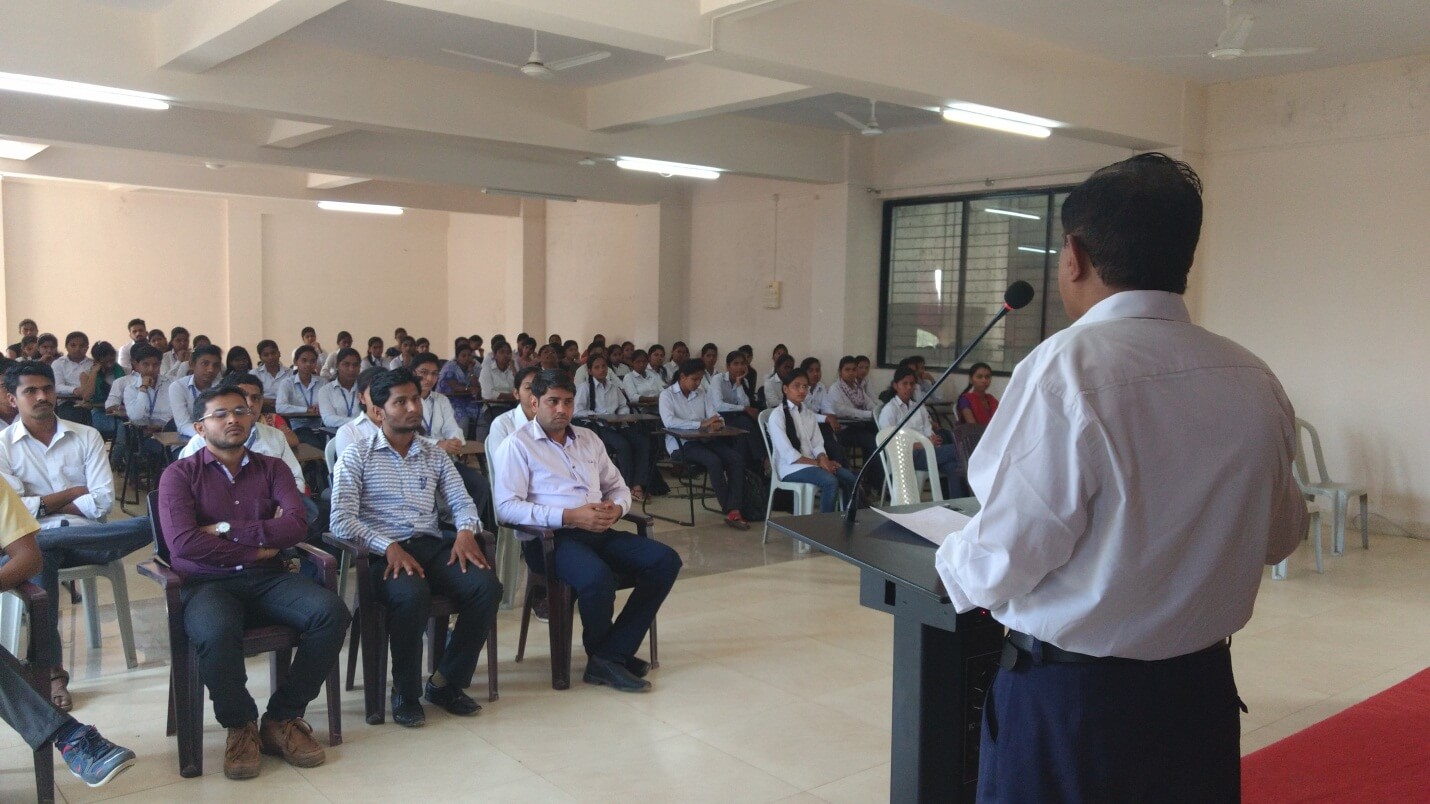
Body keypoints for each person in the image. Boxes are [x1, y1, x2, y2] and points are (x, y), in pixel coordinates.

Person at [933, 153, 1308, 802]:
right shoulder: (1251, 376)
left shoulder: (1067, 368)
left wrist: (950, 561)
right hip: (1199, 699)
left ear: (1073, 256)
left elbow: (1009, 554)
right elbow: (1280, 536)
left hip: (1078, 708)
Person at [158, 385, 349, 780]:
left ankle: (282, 718)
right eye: (220, 414)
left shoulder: (273, 468)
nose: (233, 419)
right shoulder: (179, 474)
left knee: (331, 613)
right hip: (207, 583)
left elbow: (295, 525)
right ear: (199, 427)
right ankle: (240, 724)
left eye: (241, 411)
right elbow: (183, 544)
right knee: (215, 630)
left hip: (268, 579)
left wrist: (224, 530)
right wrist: (257, 547)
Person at [330, 369, 502, 726]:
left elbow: (462, 501)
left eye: (415, 399)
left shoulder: (433, 454)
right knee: (411, 595)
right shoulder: (357, 455)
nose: (413, 407)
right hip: (381, 556)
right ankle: (405, 692)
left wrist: (466, 531)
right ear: (378, 411)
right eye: (401, 402)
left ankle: (445, 682)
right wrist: (387, 545)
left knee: (486, 587)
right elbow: (341, 520)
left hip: (430, 545)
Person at [493, 370, 681, 692]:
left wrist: (617, 508)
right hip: (549, 540)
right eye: (553, 401)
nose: (562, 409)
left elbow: (618, 486)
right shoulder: (518, 445)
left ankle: (609, 655)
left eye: (568, 402)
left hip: (598, 530)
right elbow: (506, 508)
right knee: (597, 578)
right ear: (535, 403)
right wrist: (568, 516)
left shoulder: (588, 439)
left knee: (665, 560)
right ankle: (608, 657)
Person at [0, 363, 153, 712]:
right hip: (33, 544)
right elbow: (15, 512)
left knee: (44, 544)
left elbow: (100, 502)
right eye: (30, 391)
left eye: (47, 389)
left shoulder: (86, 436)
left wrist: (40, 504)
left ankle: (47, 670)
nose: (42, 396)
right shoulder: (2, 446)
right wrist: (71, 493)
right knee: (41, 552)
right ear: (11, 398)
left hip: (88, 540)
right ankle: (53, 671)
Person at [0, 481, 138, 787]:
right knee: (53, 541)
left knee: (51, 544)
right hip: (59, 532)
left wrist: (48, 503)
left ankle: (69, 737)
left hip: (68, 533)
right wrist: (68, 496)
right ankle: (69, 737)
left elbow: (28, 556)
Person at [659, 359, 749, 530]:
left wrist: (717, 423)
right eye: (694, 379)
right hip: (681, 445)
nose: (697, 383)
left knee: (735, 458)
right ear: (683, 377)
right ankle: (730, 509)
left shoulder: (701, 393)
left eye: (700, 379)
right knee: (713, 461)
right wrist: (701, 424)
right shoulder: (667, 395)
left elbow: (715, 415)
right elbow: (669, 422)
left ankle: (735, 507)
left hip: (705, 439)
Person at [766, 368, 857, 513]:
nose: (802, 390)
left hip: (813, 463)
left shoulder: (808, 413)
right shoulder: (777, 416)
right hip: (790, 467)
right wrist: (819, 463)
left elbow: (817, 443)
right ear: (785, 389)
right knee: (830, 481)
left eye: (805, 386)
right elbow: (788, 454)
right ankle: (823, 525)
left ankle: (847, 519)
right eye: (797, 386)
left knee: (850, 478)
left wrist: (824, 459)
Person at [574, 355, 651, 503]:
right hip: (599, 427)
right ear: (590, 371)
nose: (601, 370)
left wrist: (620, 416)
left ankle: (638, 485)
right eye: (597, 367)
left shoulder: (613, 387)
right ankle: (625, 486)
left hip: (618, 425)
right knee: (623, 446)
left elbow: (623, 406)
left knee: (643, 443)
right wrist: (598, 415)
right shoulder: (585, 388)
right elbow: (577, 411)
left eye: (604, 366)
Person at [877, 366, 960, 499]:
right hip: (907, 455)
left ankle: (955, 505)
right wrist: (923, 445)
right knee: (959, 449)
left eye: (912, 384)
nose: (909, 387)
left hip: (928, 451)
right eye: (904, 384)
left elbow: (928, 428)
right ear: (895, 385)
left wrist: (933, 439)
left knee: (954, 467)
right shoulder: (890, 410)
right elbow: (890, 442)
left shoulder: (918, 406)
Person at [275, 345, 326, 448]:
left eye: (312, 361)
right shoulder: (287, 383)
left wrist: (321, 406)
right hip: (298, 428)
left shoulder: (323, 382)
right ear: (295, 362)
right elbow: (280, 407)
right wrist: (306, 410)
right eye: (304, 360)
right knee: (312, 441)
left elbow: (329, 404)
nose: (308, 364)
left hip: (321, 426)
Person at [168, 345, 224, 438]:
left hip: (220, 438)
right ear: (192, 364)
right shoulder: (178, 387)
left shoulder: (223, 388)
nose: (211, 369)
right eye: (205, 364)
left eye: (216, 365)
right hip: (188, 439)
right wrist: (209, 436)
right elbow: (183, 425)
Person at [77, 341, 126, 441]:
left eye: (111, 356)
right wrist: (94, 373)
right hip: (100, 411)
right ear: (97, 360)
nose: (109, 359)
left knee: (126, 426)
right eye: (104, 357)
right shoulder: (86, 374)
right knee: (120, 426)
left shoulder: (124, 371)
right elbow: (87, 396)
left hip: (121, 410)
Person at [437, 343, 482, 435]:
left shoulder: (473, 367)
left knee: (482, 417)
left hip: (467, 401)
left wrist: (471, 371)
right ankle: (461, 442)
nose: (467, 358)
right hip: (450, 400)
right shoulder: (450, 367)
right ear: (457, 358)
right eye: (463, 356)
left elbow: (476, 386)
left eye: (469, 355)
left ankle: (479, 443)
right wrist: (470, 389)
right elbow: (455, 387)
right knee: (464, 419)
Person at [52, 331, 93, 425]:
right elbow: (57, 386)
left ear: (87, 347)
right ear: (66, 347)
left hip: (90, 402)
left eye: (82, 346)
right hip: (67, 402)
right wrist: (74, 390)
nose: (77, 349)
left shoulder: (92, 363)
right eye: (73, 345)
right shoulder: (59, 363)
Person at [317, 348, 362, 428]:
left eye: (355, 365)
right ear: (337, 366)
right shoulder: (325, 391)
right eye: (346, 364)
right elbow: (328, 419)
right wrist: (359, 421)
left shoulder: (365, 389)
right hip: (335, 433)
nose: (351, 369)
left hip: (364, 432)